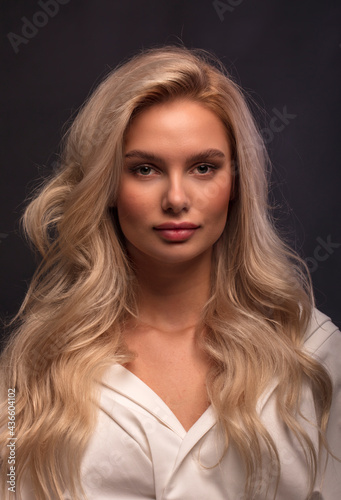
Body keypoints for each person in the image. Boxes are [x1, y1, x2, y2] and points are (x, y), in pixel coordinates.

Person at [0, 45, 340, 500]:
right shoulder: (34, 367)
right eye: (145, 169)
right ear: (108, 186)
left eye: (204, 167)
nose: (176, 198)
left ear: (236, 182)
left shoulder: (313, 354)